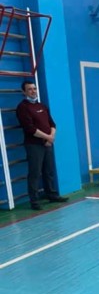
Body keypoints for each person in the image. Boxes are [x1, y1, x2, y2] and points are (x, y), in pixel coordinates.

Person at [16, 80, 69, 210]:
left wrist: (51, 137)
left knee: (48, 171)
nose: (33, 91)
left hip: (48, 144)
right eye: (29, 89)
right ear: (24, 92)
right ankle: (34, 201)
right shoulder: (23, 107)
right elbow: (30, 128)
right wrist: (47, 137)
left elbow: (52, 124)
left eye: (34, 88)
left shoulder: (42, 106)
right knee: (35, 173)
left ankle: (51, 194)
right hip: (34, 145)